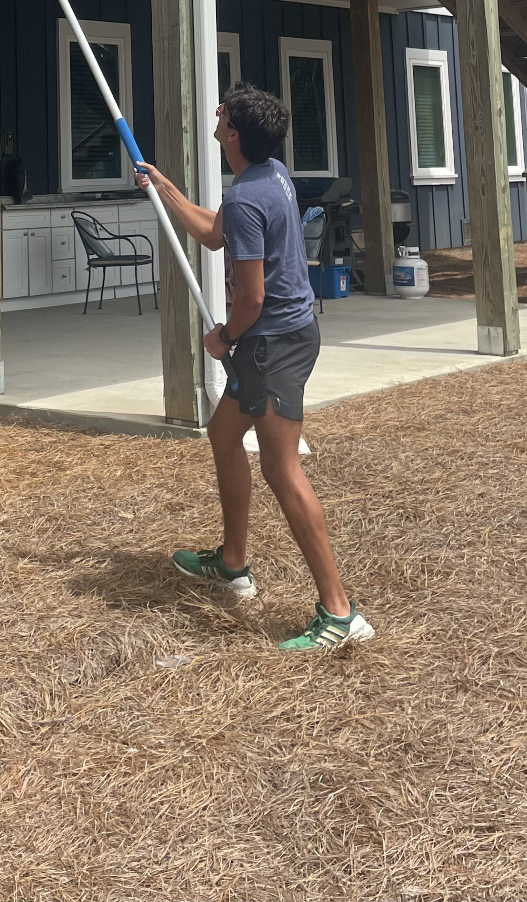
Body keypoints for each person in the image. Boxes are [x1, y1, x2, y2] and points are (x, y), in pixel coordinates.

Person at [135, 82, 374, 654]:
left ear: (234, 134)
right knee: (223, 435)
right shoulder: (267, 177)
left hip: (272, 343)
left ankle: (340, 614)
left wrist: (223, 339)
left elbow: (251, 299)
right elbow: (214, 235)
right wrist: (161, 185)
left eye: (222, 112)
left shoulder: (248, 198)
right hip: (279, 338)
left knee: (281, 468)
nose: (216, 113)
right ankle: (234, 563)